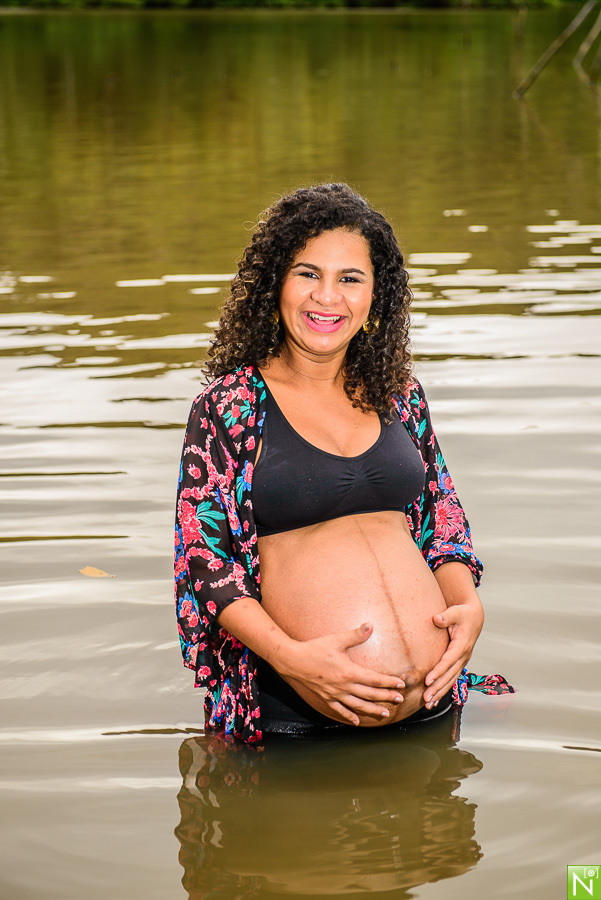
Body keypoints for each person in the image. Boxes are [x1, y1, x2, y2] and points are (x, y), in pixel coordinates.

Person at [175, 183, 491, 743]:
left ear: (375, 298)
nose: (327, 297)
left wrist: (467, 607)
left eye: (350, 279)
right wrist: (293, 659)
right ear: (275, 284)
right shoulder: (230, 406)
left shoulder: (400, 395)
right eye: (307, 274)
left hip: (437, 710)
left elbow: (443, 520)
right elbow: (206, 563)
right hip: (294, 720)